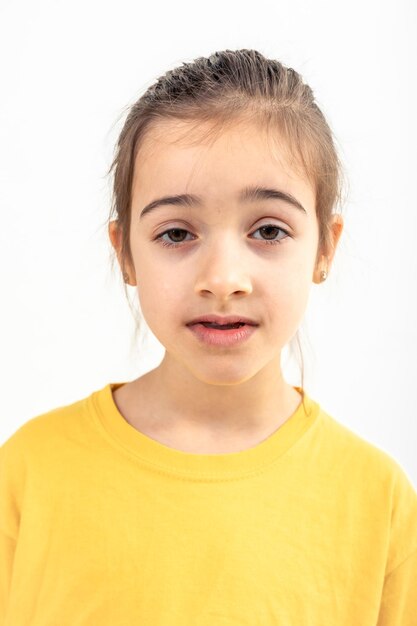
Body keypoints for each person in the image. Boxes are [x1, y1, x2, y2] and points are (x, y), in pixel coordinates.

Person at [1, 49, 416, 625]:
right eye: (176, 233)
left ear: (325, 246)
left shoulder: (380, 501)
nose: (222, 280)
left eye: (268, 230)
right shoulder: (28, 471)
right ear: (125, 253)